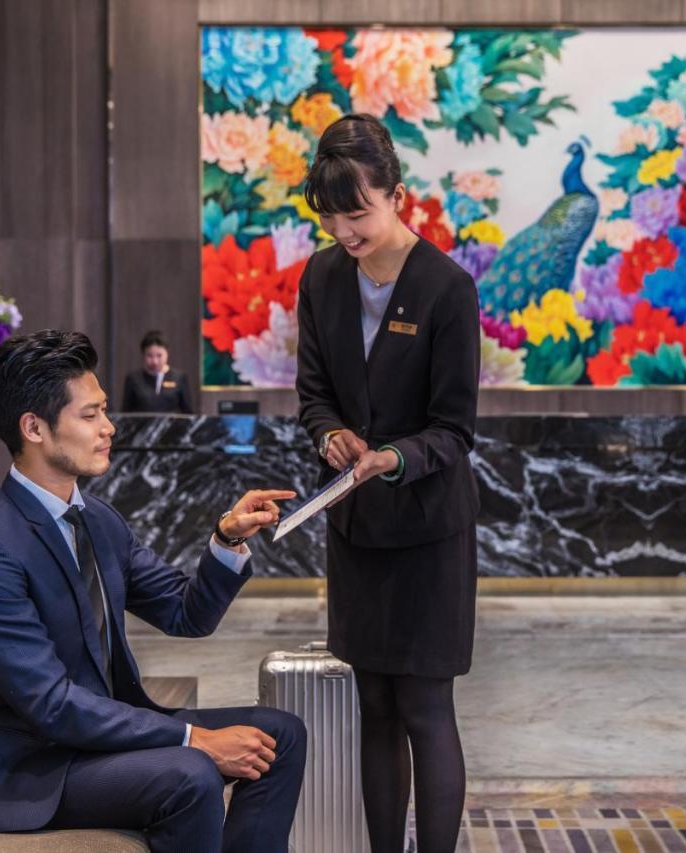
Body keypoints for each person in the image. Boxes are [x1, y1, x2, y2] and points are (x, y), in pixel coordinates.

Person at [0, 330, 304, 852]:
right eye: (90, 416)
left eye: (104, 410)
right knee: (190, 771)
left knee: (280, 734)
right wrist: (195, 739)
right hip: (31, 764)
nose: (109, 428)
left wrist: (225, 539)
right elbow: (51, 704)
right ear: (33, 427)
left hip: (101, 734)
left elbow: (185, 614)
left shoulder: (98, 521)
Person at [294, 114, 481, 853]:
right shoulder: (321, 277)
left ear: (398, 194)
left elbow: (455, 430)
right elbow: (312, 393)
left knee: (425, 706)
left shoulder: (446, 289)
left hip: (430, 532)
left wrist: (390, 459)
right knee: (374, 703)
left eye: (359, 212)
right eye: (331, 216)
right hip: (358, 531)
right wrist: (328, 435)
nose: (345, 230)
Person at [122, 330, 192, 413]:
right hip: (142, 425)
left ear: (167, 353)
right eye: (149, 356)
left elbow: (188, 414)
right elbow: (125, 414)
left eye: (159, 355)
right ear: (143, 355)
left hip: (172, 425)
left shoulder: (179, 378)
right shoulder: (133, 379)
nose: (155, 361)